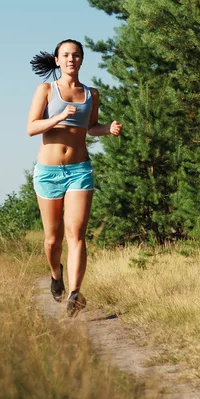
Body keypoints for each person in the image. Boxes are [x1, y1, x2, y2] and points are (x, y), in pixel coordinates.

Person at [27, 39, 122, 317]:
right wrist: (57, 118)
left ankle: (75, 294)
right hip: (48, 171)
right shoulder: (46, 89)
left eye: (76, 55)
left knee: (76, 234)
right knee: (52, 239)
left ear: (82, 60)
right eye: (66, 55)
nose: (71, 59)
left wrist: (109, 129)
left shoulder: (92, 94)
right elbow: (31, 127)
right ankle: (56, 275)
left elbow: (90, 128)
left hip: (80, 170)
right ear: (57, 60)